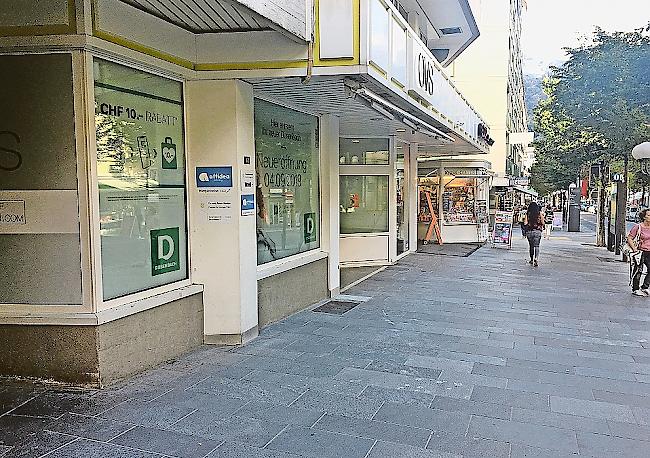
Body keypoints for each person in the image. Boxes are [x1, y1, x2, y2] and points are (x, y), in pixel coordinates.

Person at [627, 209, 650, 296]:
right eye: (649, 215)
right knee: (638, 270)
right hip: (640, 252)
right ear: (644, 217)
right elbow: (629, 238)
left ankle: (645, 286)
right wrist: (634, 249)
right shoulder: (638, 227)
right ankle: (635, 288)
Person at [524, 202, 544, 266]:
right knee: (537, 246)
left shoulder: (528, 214)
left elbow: (525, 223)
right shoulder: (539, 213)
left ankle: (531, 259)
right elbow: (543, 222)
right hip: (537, 231)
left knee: (531, 246)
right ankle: (536, 258)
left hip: (529, 232)